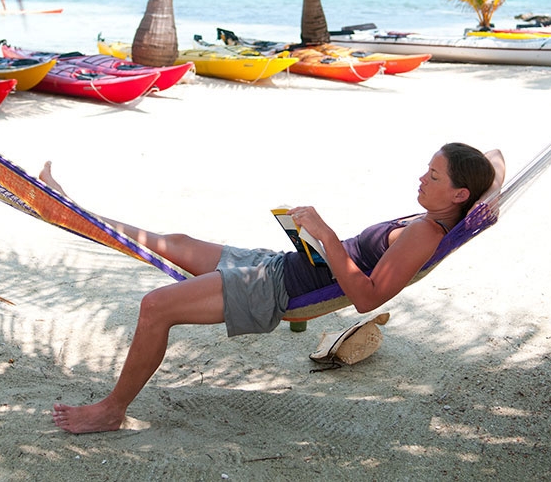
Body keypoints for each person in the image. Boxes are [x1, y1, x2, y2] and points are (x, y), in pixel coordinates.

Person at [40, 142, 499, 434]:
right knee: (175, 242)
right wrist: (489, 188)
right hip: (281, 264)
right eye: (427, 169)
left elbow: (367, 298)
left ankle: (111, 409)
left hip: (275, 288)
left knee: (156, 306)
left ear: (460, 195)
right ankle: (73, 211)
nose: (422, 178)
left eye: (434, 176)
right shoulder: (432, 218)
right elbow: (494, 163)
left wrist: (325, 234)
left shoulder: (426, 233)